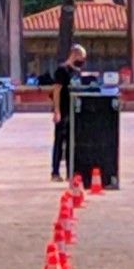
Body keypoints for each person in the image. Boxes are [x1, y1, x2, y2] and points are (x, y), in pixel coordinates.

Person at [51, 44, 86, 182]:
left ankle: (70, 172)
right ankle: (55, 172)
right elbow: (56, 91)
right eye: (82, 57)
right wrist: (57, 110)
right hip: (63, 110)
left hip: (74, 111)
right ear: (75, 55)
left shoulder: (76, 72)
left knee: (72, 142)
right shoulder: (62, 70)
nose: (82, 61)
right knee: (59, 142)